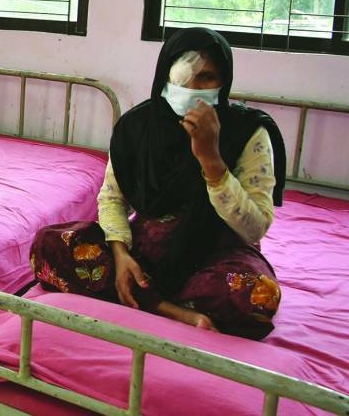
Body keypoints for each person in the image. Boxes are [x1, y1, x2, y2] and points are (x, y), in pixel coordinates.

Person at [30, 27, 286, 339]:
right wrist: (121, 255)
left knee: (256, 295)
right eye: (182, 77)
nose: (193, 88)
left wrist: (211, 160)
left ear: (223, 82)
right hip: (144, 250)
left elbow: (254, 228)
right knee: (49, 244)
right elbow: (112, 199)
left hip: (218, 250)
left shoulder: (247, 133)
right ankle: (169, 308)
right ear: (164, 76)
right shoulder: (136, 128)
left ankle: (139, 297)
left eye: (206, 77)